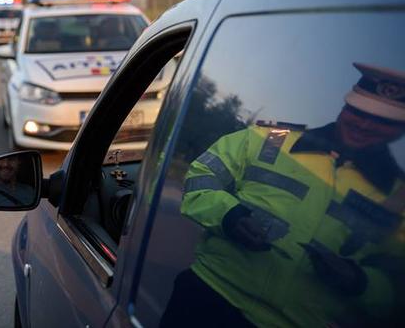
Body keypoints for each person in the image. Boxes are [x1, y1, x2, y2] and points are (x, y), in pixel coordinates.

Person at [162, 63, 405, 327]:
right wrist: (229, 216)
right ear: (344, 107)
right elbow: (200, 177)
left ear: (400, 129)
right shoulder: (273, 137)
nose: (366, 124)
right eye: (358, 111)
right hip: (207, 297)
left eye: (384, 121)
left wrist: (360, 282)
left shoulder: (398, 194)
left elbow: (396, 282)